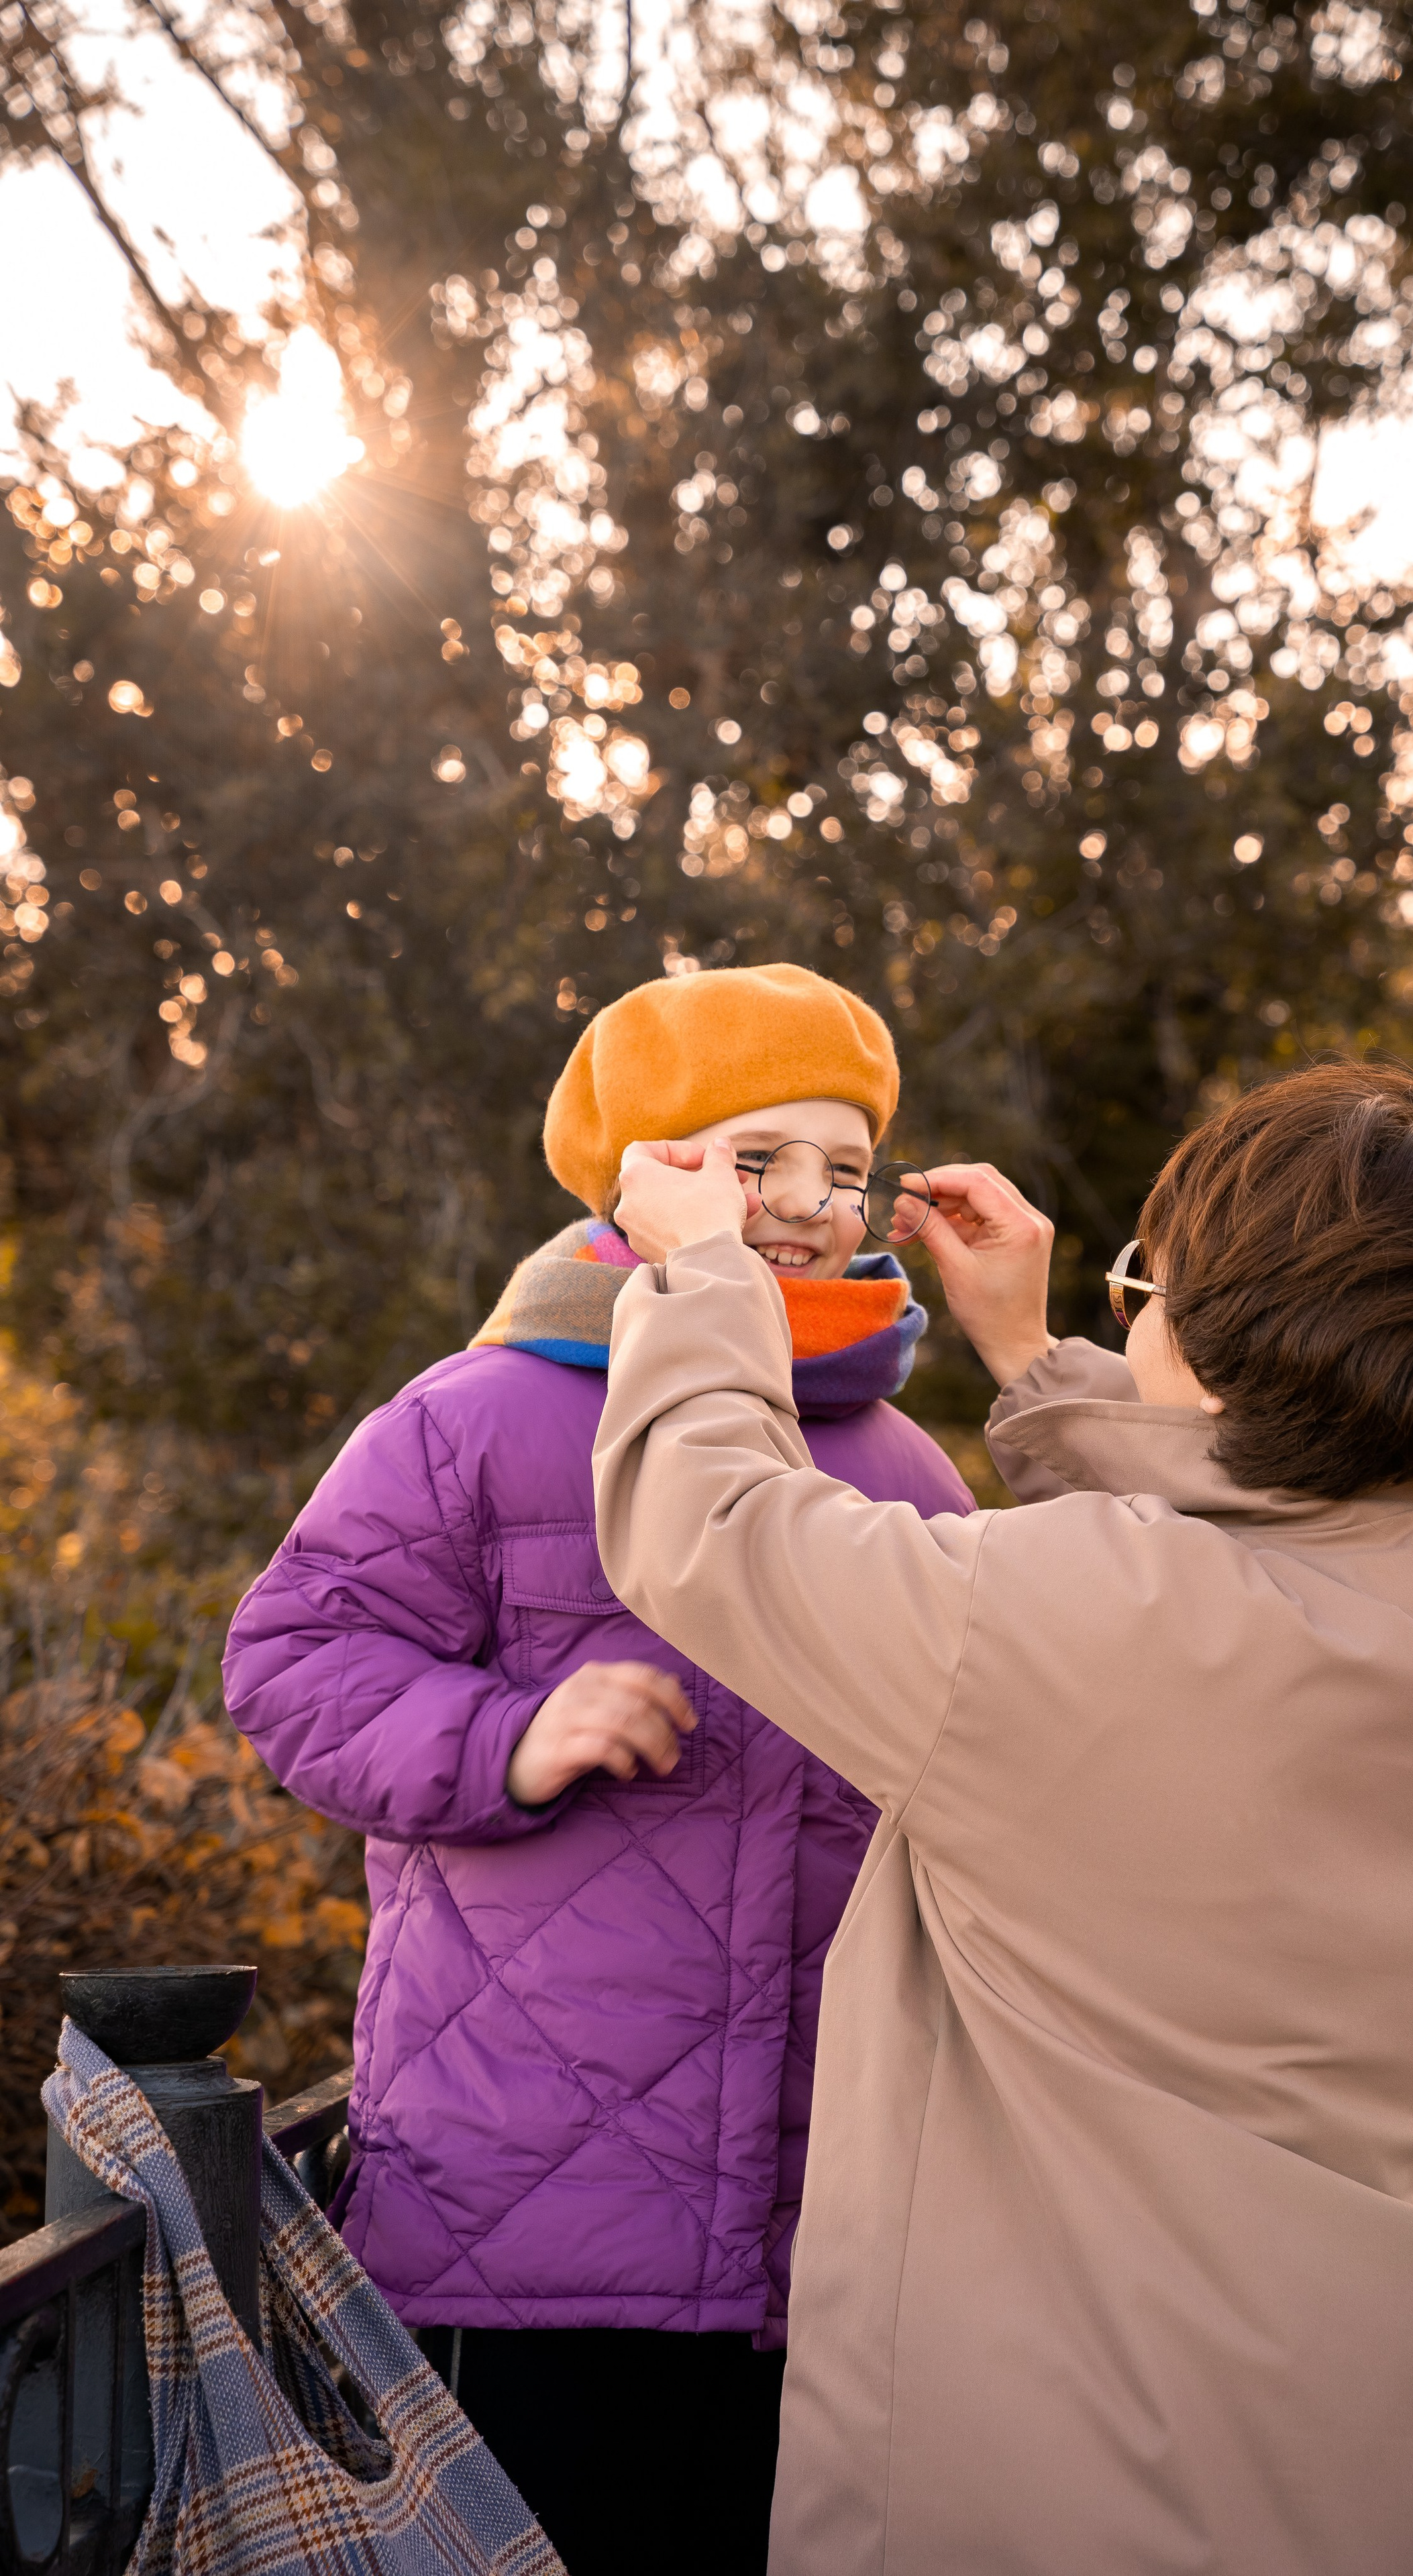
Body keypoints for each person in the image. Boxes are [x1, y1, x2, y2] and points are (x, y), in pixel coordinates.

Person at [594, 1061, 1413, 2576]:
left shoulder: (1036, 1630)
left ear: (1211, 1332)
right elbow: (1235, 1543)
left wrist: (702, 1275)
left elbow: (713, 1525)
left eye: (1150, 1283)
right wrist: (1031, 1350)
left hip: (1101, 2465)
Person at [221, 963, 973, 2574]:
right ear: (635, 1172)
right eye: (750, 1155)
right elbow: (292, 1664)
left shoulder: (899, 1458)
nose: (804, 1202)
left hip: (821, 2208)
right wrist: (507, 1735)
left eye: (844, 1170)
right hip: (529, 2214)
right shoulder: (473, 1416)